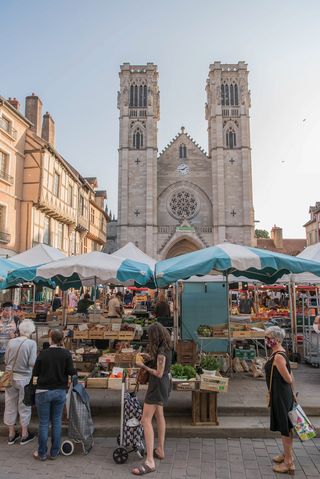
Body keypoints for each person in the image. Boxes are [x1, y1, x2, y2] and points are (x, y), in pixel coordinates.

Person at [132, 323, 172, 476]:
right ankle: (160, 449)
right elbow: (162, 364)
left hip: (157, 386)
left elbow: (158, 373)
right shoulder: (167, 347)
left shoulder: (161, 352)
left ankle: (150, 461)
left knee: (145, 420)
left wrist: (142, 365)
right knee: (159, 415)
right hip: (164, 385)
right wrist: (150, 357)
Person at [32, 329, 76, 460]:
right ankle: (55, 452)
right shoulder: (66, 353)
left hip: (43, 391)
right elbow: (71, 371)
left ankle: (41, 453)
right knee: (57, 422)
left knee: (44, 423)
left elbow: (35, 372)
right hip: (59, 391)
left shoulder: (43, 354)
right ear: (61, 339)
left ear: (50, 338)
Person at [264, 326, 295, 474]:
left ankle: (288, 462)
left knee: (285, 427)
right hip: (281, 394)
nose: (266, 340)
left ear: (276, 339)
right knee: (286, 426)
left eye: (268, 337)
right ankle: (287, 454)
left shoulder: (278, 356)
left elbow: (288, 378)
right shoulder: (277, 353)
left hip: (281, 395)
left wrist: (291, 393)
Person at [3, 319, 37, 445]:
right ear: (31, 331)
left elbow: (6, 359)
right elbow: (32, 363)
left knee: (10, 404)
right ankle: (24, 434)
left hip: (10, 378)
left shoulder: (11, 342)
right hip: (24, 379)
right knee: (24, 405)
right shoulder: (31, 343)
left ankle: (11, 434)